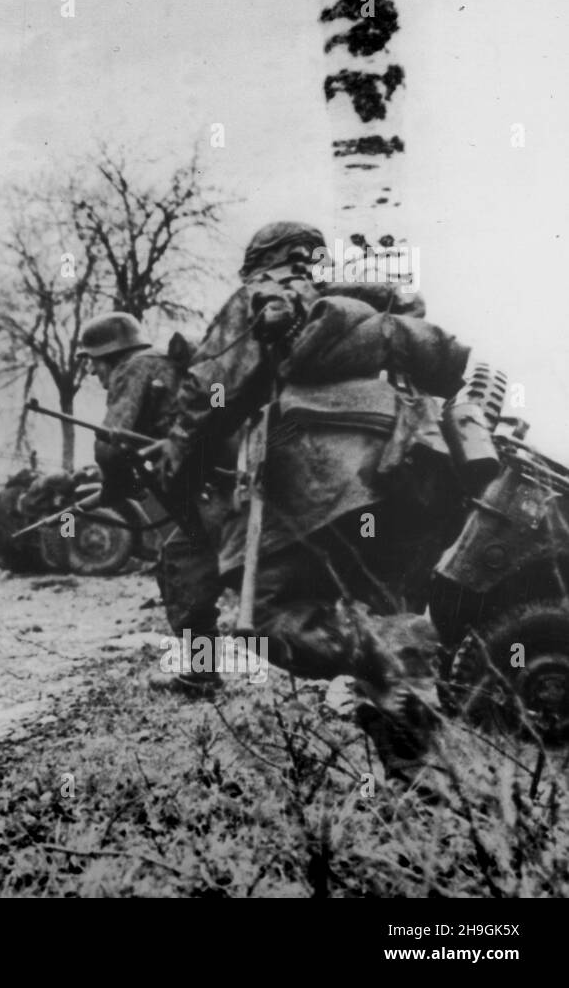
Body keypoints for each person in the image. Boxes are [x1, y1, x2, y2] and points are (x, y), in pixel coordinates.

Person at [149, 222, 469, 779]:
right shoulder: (357, 305)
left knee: (267, 614)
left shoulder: (264, 296)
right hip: (412, 471)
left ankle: (387, 663)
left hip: (328, 480)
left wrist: (177, 463)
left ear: (258, 260)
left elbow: (210, 393)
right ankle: (416, 773)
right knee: (383, 607)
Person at [78, 313, 232, 696]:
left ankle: (202, 675)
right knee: (181, 560)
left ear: (108, 356)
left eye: (94, 364)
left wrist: (114, 487)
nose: (96, 375)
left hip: (210, 489)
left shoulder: (132, 369)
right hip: (221, 481)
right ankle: (202, 671)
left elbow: (109, 445)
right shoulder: (168, 364)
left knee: (181, 566)